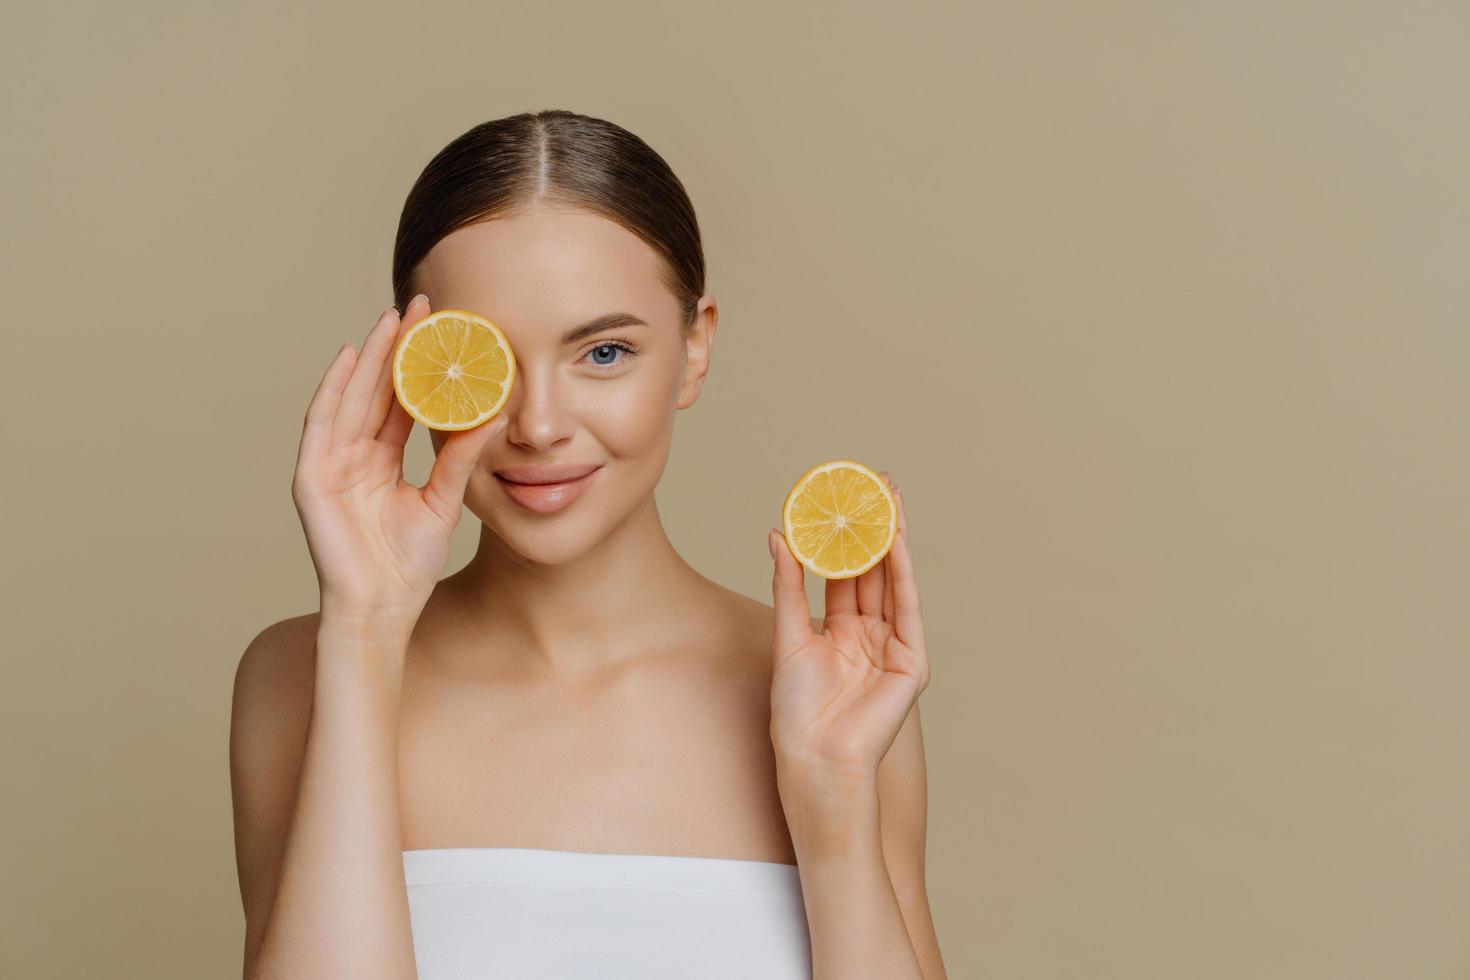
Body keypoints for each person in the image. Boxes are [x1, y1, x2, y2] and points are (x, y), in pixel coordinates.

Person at [229, 108, 945, 979]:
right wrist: (364, 633)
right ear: (414, 367)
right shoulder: (299, 675)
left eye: (603, 352)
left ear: (694, 347)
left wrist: (833, 802)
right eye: (484, 358)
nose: (537, 425)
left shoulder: (835, 698)